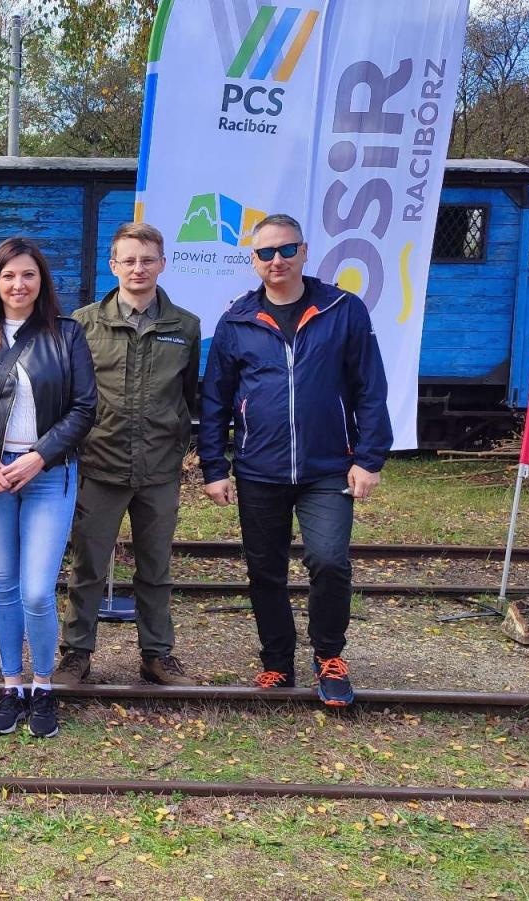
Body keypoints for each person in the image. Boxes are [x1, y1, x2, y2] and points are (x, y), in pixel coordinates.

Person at [199, 213, 391, 707]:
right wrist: (215, 468)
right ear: (253, 260)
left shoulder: (342, 310)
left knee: (329, 561)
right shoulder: (237, 320)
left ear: (305, 251)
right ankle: (277, 660)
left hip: (327, 467)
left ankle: (329, 657)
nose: (277, 260)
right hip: (258, 468)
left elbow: (370, 388)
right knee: (265, 570)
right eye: (266, 253)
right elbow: (215, 400)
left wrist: (369, 458)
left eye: (286, 250)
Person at [0, 237, 96, 739]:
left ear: (41, 281)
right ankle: (12, 686)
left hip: (47, 472)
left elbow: (83, 407)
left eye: (28, 275)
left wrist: (39, 456)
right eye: (8, 275)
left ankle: (43, 686)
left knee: (36, 590)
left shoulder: (67, 334)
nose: (18, 284)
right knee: (4, 587)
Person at [58, 222, 201, 687]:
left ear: (162, 263)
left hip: (159, 468)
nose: (138, 268)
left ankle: (157, 654)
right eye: (129, 260)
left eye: (148, 259)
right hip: (99, 464)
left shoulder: (185, 326)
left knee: (155, 567)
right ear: (113, 264)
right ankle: (76, 654)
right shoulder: (82, 324)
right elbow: (69, 393)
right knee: (87, 566)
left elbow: (188, 394)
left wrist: (178, 442)